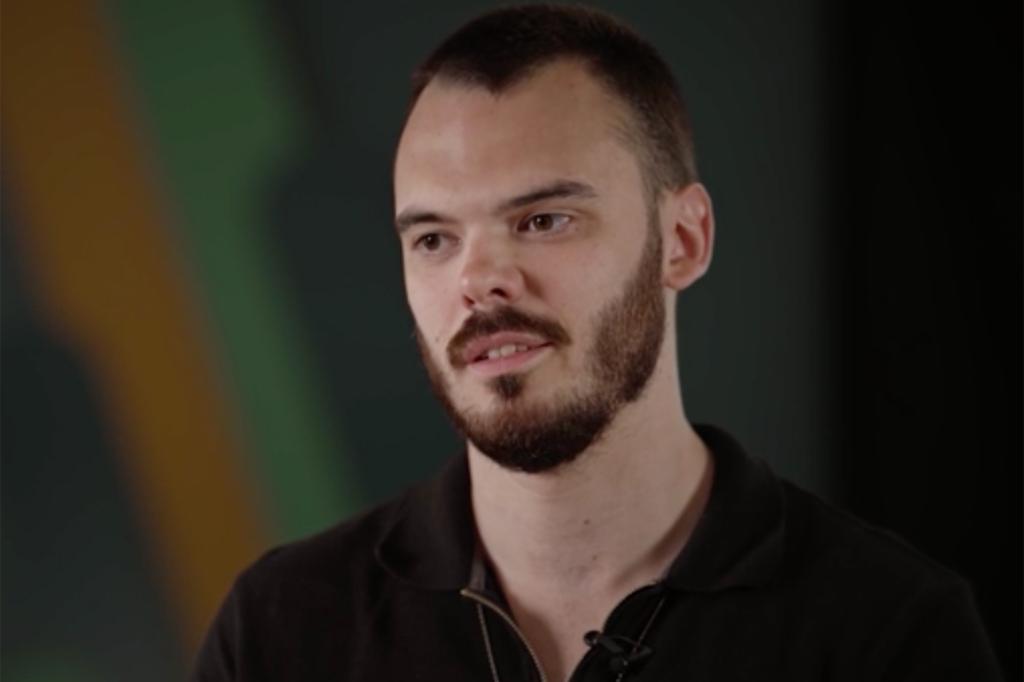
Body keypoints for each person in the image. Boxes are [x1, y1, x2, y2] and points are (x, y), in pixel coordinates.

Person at [192, 5, 1002, 681]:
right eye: (434, 238)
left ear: (681, 240)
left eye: (543, 220)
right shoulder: (281, 630)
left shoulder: (889, 633)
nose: (480, 280)